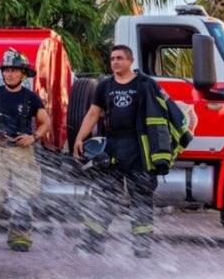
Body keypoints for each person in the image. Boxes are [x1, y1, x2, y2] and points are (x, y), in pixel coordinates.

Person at [71, 44, 192, 258]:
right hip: (112, 149)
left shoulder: (145, 84)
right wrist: (79, 138)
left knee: (142, 198)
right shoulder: (104, 86)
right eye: (112, 59)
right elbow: (93, 114)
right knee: (103, 195)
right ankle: (93, 242)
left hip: (140, 150)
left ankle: (142, 246)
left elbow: (163, 113)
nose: (115, 62)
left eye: (120, 58)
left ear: (130, 61)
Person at [0, 49, 51, 253]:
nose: (9, 74)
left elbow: (46, 122)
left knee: (23, 197)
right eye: (6, 70)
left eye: (14, 70)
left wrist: (33, 137)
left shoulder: (31, 98)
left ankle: (20, 238)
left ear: (23, 74)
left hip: (23, 153)